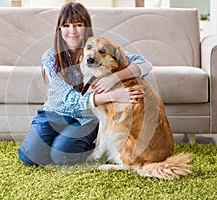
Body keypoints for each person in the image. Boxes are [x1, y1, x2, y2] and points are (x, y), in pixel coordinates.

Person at [18, 2, 153, 166]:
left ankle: (90, 148)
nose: (72, 31)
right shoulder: (50, 56)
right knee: (29, 157)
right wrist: (114, 95)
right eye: (66, 25)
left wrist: (114, 78)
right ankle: (60, 145)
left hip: (86, 119)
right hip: (53, 113)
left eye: (78, 25)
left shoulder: (97, 49)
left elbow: (145, 63)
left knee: (62, 157)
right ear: (59, 29)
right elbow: (69, 97)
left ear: (86, 28)